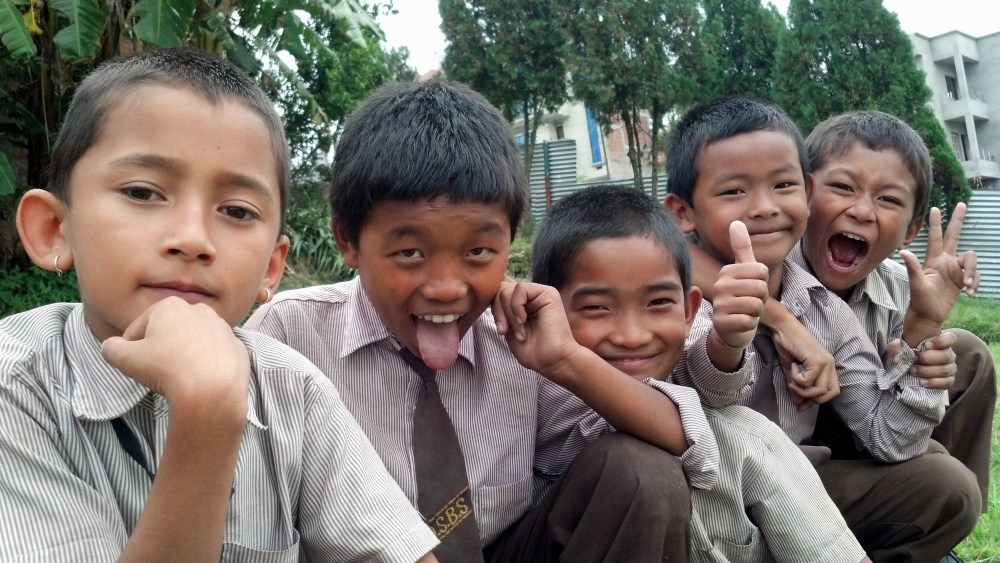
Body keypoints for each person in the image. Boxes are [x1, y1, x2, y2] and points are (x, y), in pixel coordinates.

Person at [0, 48, 438, 562]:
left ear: (272, 269)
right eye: (142, 192)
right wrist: (207, 417)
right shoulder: (18, 388)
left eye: (236, 210)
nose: (192, 239)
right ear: (53, 228)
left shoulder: (293, 389)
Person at [245, 79, 709, 562]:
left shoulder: (519, 340)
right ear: (348, 241)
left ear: (512, 242)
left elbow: (685, 440)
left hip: (495, 551)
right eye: (409, 252)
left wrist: (567, 361)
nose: (447, 286)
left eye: (479, 251)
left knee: (643, 474)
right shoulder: (290, 335)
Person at [663, 95, 981, 562]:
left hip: (799, 487)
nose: (765, 207)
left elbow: (887, 435)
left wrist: (924, 327)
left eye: (783, 185)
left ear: (804, 192)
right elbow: (705, 395)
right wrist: (739, 335)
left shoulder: (826, 310)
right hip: (703, 502)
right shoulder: (671, 290)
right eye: (735, 191)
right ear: (684, 212)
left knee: (947, 463)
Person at [509, 183, 868, 562]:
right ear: (546, 308)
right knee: (723, 434)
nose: (632, 336)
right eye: (597, 308)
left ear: (689, 309)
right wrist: (566, 360)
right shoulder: (538, 377)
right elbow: (633, 431)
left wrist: (727, 341)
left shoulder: (687, 347)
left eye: (658, 303)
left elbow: (706, 381)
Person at [797, 110, 995, 510]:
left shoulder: (900, 285)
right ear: (803, 194)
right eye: (842, 187)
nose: (863, 211)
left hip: (874, 431)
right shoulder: (769, 273)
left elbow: (892, 428)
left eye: (888, 199)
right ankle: (926, 506)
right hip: (792, 463)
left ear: (910, 231)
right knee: (944, 482)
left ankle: (936, 528)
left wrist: (923, 333)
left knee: (970, 354)